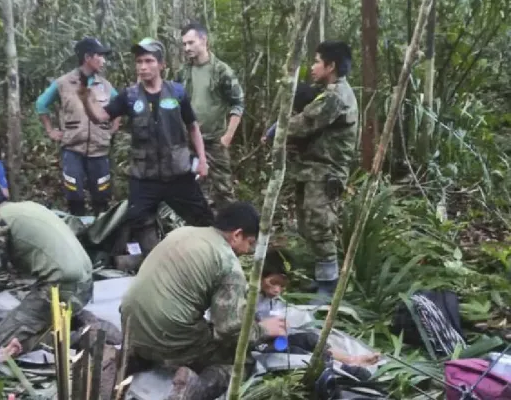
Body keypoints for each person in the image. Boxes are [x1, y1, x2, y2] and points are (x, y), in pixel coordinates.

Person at [119, 202, 287, 400]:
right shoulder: (228, 265)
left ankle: (134, 358)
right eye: (250, 243)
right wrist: (263, 329)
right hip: (168, 335)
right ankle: (194, 390)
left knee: (185, 326)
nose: (248, 250)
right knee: (241, 362)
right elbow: (229, 330)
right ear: (237, 234)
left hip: (130, 323)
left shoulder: (183, 232)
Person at [78, 38, 214, 263]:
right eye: (139, 61)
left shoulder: (177, 92)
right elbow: (101, 117)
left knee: (203, 219)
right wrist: (86, 100)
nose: (143, 66)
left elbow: (192, 126)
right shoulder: (129, 96)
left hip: (178, 173)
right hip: (144, 176)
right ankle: (156, 263)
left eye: (149, 61)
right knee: (139, 219)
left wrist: (202, 160)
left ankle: (209, 260)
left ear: (161, 65)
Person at [0, 177, 97, 354]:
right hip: (85, 283)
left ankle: (76, 338)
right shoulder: (25, 207)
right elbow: (27, 256)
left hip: (60, 289)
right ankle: (69, 322)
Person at [283, 41, 358, 301]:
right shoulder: (326, 91)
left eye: (317, 61)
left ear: (331, 66)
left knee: (320, 225)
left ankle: (330, 286)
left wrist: (276, 130)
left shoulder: (336, 96)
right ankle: (321, 278)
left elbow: (303, 124)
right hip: (312, 169)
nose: (312, 67)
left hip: (326, 172)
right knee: (307, 224)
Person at [36, 37, 121, 217]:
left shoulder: (105, 85)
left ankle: (101, 234)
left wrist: (113, 128)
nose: (103, 61)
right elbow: (41, 104)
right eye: (100, 56)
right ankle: (77, 231)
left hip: (99, 150)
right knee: (74, 194)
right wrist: (50, 130)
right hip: (73, 149)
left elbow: (119, 105)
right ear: (87, 57)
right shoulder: (63, 83)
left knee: (102, 195)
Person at [255, 251, 381, 372]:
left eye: (282, 286)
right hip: (255, 344)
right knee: (295, 351)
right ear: (260, 275)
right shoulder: (247, 297)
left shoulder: (271, 300)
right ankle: (339, 367)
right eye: (273, 283)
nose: (277, 290)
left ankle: (349, 360)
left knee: (310, 339)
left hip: (272, 339)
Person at [176, 22, 245, 209]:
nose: (187, 48)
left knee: (223, 190)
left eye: (190, 43)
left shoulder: (221, 71)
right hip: (189, 141)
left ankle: (231, 232)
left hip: (215, 141)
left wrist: (227, 137)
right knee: (192, 189)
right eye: (184, 44)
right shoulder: (183, 72)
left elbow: (238, 103)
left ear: (203, 40)